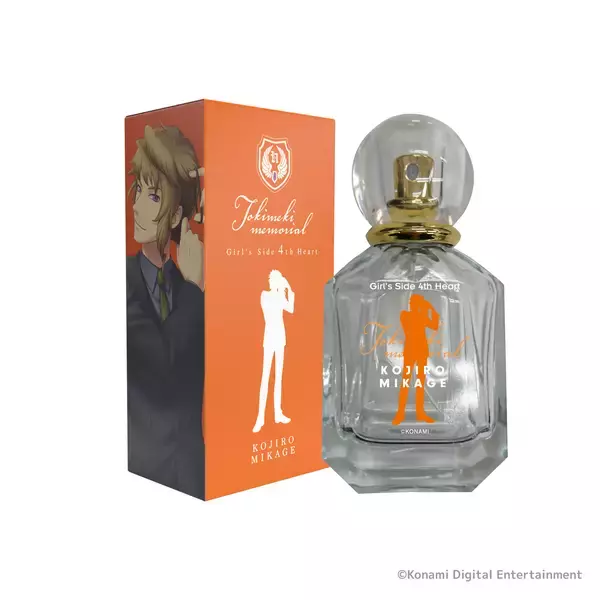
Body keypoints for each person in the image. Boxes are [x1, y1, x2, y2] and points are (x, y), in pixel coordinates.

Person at [126, 125, 205, 498]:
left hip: (193, 477)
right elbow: (160, 364)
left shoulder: (191, 286)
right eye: (138, 191)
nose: (137, 206)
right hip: (137, 475)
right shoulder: (122, 282)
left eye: (153, 196)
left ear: (176, 217)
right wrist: (195, 290)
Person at [253, 270, 295, 433]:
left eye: (274, 279)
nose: (271, 281)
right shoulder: (265, 295)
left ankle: (278, 413)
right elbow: (272, 310)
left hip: (280, 339)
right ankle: (260, 417)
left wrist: (288, 288)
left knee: (279, 377)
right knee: (265, 377)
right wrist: (282, 290)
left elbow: (291, 308)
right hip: (270, 338)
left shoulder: (279, 297)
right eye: (271, 279)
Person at [392, 294, 439, 425]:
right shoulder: (405, 315)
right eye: (413, 303)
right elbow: (411, 325)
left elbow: (435, 326)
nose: (413, 305)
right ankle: (400, 413)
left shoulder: (421, 316)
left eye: (416, 303)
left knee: (420, 384)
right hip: (410, 351)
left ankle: (420, 413)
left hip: (421, 351)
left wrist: (431, 309)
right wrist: (426, 309)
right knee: (405, 383)